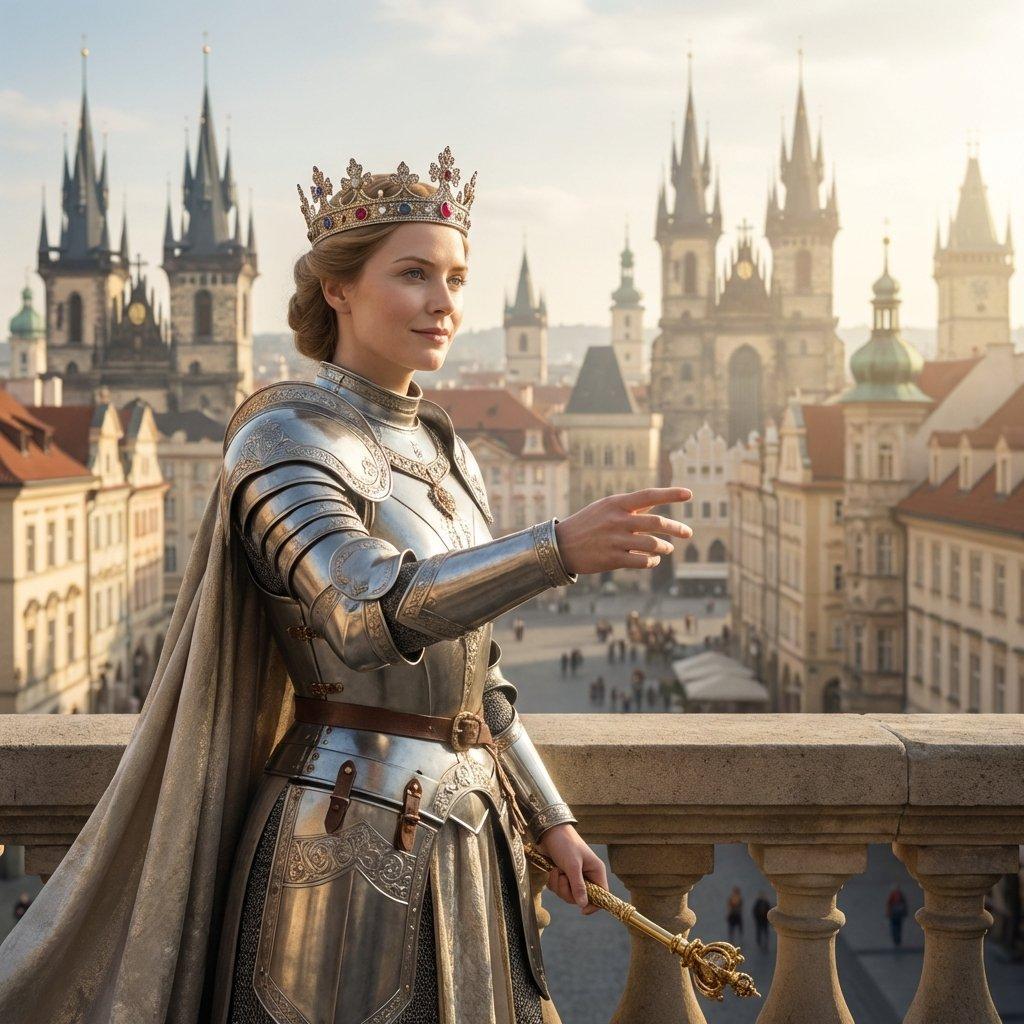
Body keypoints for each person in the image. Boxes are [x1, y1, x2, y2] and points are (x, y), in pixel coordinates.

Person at [0, 147, 694, 1024]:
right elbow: (363, 613)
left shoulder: (449, 449)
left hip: (471, 834)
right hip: (342, 832)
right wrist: (555, 547)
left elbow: (479, 684)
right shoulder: (284, 436)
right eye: (413, 275)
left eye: (455, 278)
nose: (443, 303)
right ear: (338, 290)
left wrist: (549, 816)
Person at [886, 883, 908, 947]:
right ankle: (897, 939)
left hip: (896, 914)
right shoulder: (896, 895)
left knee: (896, 927)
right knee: (896, 927)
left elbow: (888, 904)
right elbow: (889, 904)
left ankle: (897, 939)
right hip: (896, 914)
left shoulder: (897, 895)